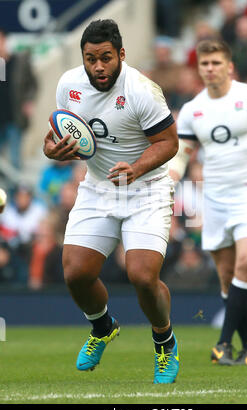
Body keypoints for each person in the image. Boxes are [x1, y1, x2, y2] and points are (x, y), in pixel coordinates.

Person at [43, 19, 179, 384]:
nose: (98, 67)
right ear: (83, 58)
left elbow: (169, 142)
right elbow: (56, 132)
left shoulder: (141, 90)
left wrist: (136, 169)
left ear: (120, 54)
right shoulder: (69, 85)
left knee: (142, 276)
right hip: (99, 186)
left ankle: (164, 341)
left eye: (105, 58)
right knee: (75, 273)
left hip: (146, 188)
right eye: (90, 59)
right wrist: (52, 150)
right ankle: (103, 327)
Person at [169, 39, 247, 365]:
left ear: (230, 66)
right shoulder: (194, 109)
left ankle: (223, 343)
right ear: (199, 69)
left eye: (216, 63)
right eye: (204, 64)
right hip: (215, 200)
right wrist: (169, 181)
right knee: (227, 278)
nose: (210, 69)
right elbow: (182, 155)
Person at [0, 28, 38, 170]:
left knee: (14, 160)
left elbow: (32, 84)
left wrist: (28, 101)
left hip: (14, 119)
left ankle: (16, 192)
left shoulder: (18, 61)